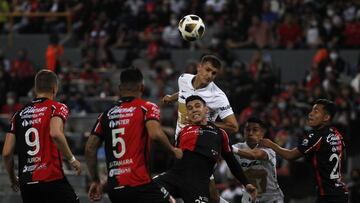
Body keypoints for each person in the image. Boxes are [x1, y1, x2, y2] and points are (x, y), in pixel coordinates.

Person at [85, 68, 182, 203]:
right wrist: (173, 150)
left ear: (120, 88)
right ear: (141, 87)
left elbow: (90, 148)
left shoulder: (105, 115)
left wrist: (95, 180)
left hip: (115, 189)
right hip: (139, 184)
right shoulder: (147, 107)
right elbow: (155, 134)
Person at [163, 54, 239, 203]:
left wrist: (203, 123)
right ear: (199, 67)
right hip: (181, 143)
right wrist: (171, 98)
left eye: (214, 73)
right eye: (207, 70)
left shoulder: (218, 96)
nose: (210, 75)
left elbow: (233, 126)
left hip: (201, 148)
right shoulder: (183, 79)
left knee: (190, 189)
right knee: (212, 196)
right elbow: (185, 92)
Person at [154, 95, 257, 203]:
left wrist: (246, 183)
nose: (194, 110)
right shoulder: (183, 132)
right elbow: (175, 157)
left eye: (197, 106)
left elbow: (231, 161)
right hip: (175, 176)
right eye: (189, 108)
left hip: (198, 183)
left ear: (206, 110)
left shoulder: (220, 133)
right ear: (187, 114)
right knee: (146, 189)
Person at [2, 70, 81, 203]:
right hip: (51, 178)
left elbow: (6, 153)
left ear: (35, 89)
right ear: (54, 88)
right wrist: (72, 159)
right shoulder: (57, 107)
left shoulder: (18, 114)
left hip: (27, 183)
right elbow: (55, 133)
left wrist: (12, 179)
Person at [260, 99, 348, 203]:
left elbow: (291, 155)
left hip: (328, 195)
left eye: (315, 111)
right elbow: (344, 157)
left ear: (326, 117)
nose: (310, 114)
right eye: (311, 110)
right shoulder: (337, 134)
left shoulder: (316, 135)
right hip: (340, 193)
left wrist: (270, 144)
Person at [232, 117, 284, 203]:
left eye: (255, 130)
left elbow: (255, 155)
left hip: (271, 198)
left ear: (262, 133)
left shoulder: (269, 147)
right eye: (247, 130)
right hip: (249, 198)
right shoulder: (237, 147)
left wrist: (230, 149)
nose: (250, 133)